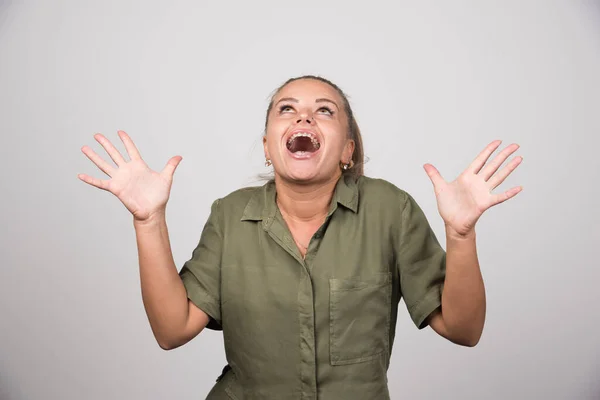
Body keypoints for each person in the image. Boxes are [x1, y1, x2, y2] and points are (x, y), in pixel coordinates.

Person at [78, 75, 523, 399]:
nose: (303, 115)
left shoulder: (391, 209)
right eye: (285, 109)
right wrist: (148, 221)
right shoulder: (230, 214)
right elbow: (172, 330)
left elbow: (464, 330)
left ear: (348, 150)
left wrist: (461, 233)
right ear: (270, 148)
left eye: (324, 110)